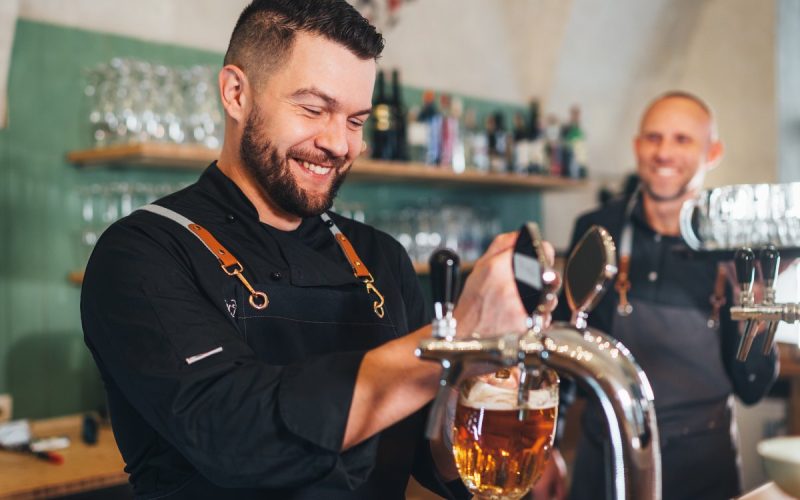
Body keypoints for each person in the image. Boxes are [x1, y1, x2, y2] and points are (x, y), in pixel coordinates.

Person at [80, 1, 548, 499]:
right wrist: (454, 343)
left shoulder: (381, 257)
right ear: (236, 93)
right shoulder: (142, 253)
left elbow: (429, 458)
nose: (340, 144)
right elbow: (238, 436)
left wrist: (481, 383)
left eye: (355, 120)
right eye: (314, 109)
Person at [535, 91, 779, 500]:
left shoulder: (739, 245)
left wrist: (752, 301)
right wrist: (547, 446)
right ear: (636, 146)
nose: (663, 152)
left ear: (712, 151)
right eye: (653, 138)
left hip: (703, 467)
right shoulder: (598, 229)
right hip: (606, 461)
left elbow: (753, 387)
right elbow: (566, 345)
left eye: (682, 140)